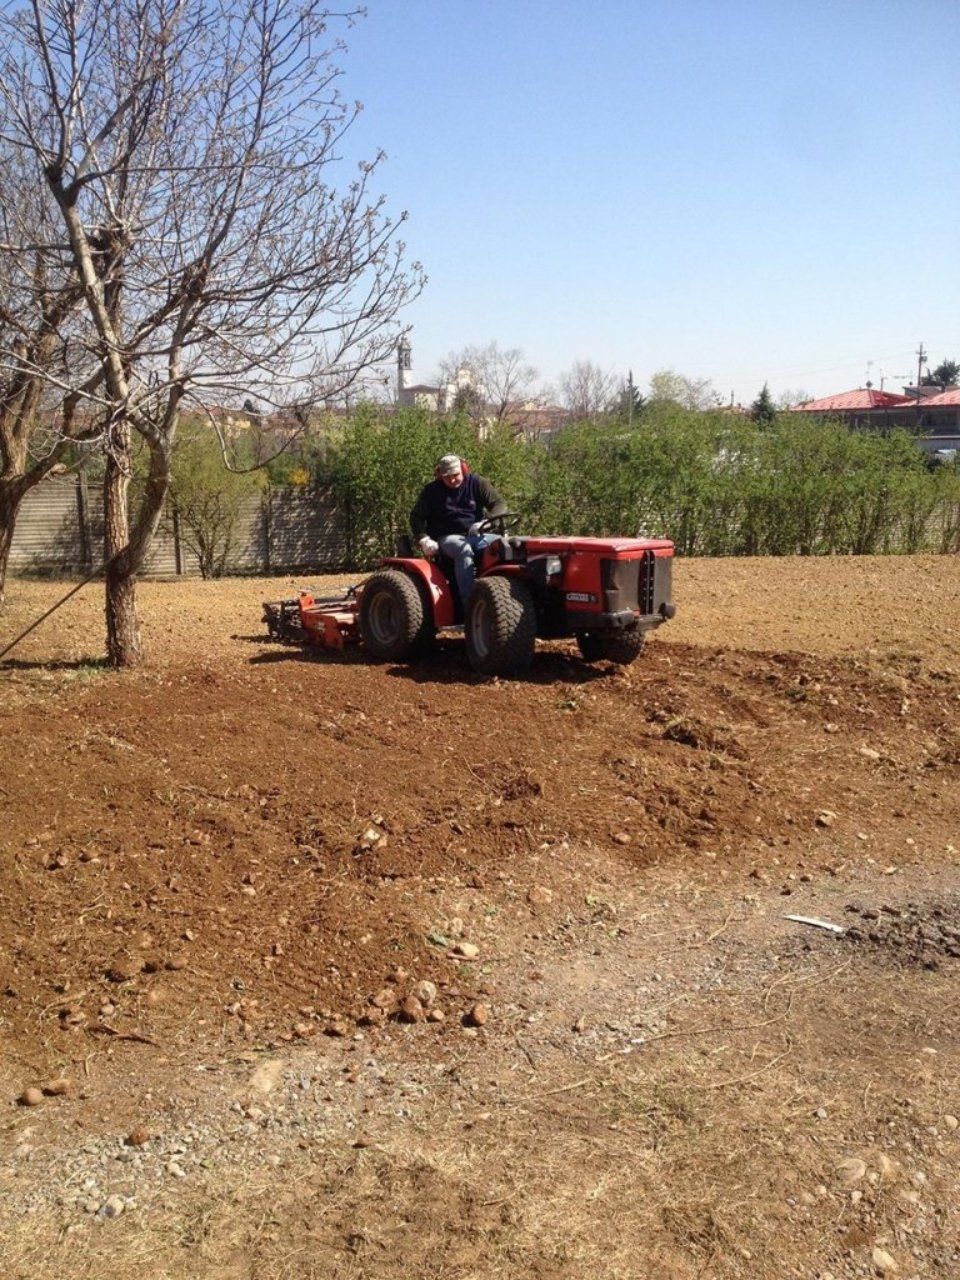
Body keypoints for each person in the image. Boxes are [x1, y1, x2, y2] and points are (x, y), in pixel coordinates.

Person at [410, 454, 508, 601]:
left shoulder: (477, 483)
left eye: (455, 475)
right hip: (447, 538)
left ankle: (502, 595)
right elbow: (416, 517)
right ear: (439, 476)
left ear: (463, 470)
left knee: (506, 545)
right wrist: (423, 538)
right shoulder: (431, 491)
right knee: (464, 549)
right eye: (447, 477)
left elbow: (499, 504)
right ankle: (469, 604)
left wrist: (486, 522)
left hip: (477, 534)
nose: (452, 480)